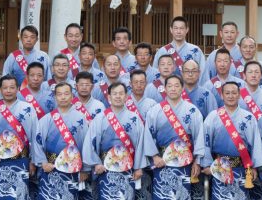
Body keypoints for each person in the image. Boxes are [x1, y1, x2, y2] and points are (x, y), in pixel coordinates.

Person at [143, 75, 205, 199]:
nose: (173, 89)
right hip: (162, 162)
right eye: (169, 86)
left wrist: (197, 162)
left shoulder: (192, 110)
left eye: (177, 85)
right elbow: (148, 136)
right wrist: (154, 157)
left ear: (182, 88)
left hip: (185, 163)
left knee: (183, 195)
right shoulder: (155, 111)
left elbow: (199, 137)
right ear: (164, 88)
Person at [0, 74, 37, 200]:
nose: (8, 91)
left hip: (22, 161)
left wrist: (33, 161)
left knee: (20, 195)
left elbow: (35, 136)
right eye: (5, 88)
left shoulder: (28, 108)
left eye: (12, 87)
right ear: (0, 90)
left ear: (18, 89)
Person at [202, 81, 262, 199]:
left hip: (242, 169)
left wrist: (254, 167)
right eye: (227, 93)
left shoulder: (248, 117)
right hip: (219, 169)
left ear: (239, 95)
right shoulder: (213, 116)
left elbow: (256, 144)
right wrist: (206, 164)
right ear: (222, 95)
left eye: (234, 93)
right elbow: (205, 142)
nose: (231, 96)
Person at [82, 82, 147, 200]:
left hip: (128, 168)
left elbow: (141, 143)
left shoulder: (134, 118)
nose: (118, 96)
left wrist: (138, 167)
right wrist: (96, 163)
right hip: (105, 168)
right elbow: (90, 142)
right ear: (109, 97)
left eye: (121, 93)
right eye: (115, 94)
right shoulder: (100, 118)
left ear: (126, 97)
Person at [33, 82, 90, 200]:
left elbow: (86, 145)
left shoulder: (81, 118)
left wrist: (85, 169)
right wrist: (43, 162)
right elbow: (37, 142)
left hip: (72, 169)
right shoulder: (47, 119)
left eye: (66, 94)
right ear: (55, 97)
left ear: (72, 96)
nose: (63, 97)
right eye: (59, 94)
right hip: (50, 168)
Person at [127, 69, 157, 200]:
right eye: (136, 82)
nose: (139, 85)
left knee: (146, 191)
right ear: (130, 83)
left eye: (142, 82)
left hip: (148, 153)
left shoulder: (153, 104)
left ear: (146, 83)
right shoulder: (123, 103)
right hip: (128, 152)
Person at [152, 16, 207, 83]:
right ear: (171, 30)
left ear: (187, 30)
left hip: (189, 91)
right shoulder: (162, 51)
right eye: (176, 28)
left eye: (181, 28)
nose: (178, 31)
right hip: (168, 91)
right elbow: (155, 73)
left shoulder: (195, 50)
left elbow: (203, 74)